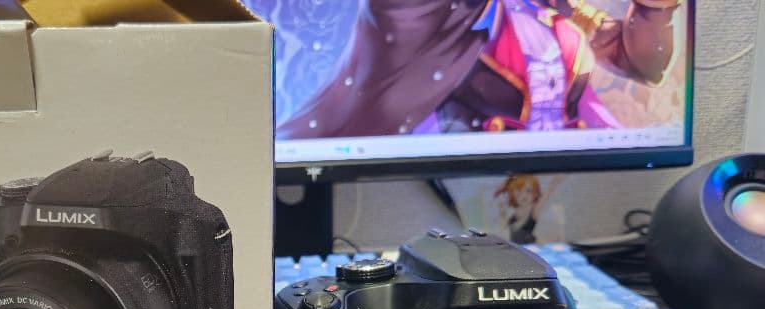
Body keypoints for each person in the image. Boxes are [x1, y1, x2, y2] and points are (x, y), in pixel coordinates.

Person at [278, 0, 682, 138]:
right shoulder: (427, 14)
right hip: (442, 176)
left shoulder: (556, 14)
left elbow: (642, 62)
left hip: (547, 197)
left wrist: (654, 9)